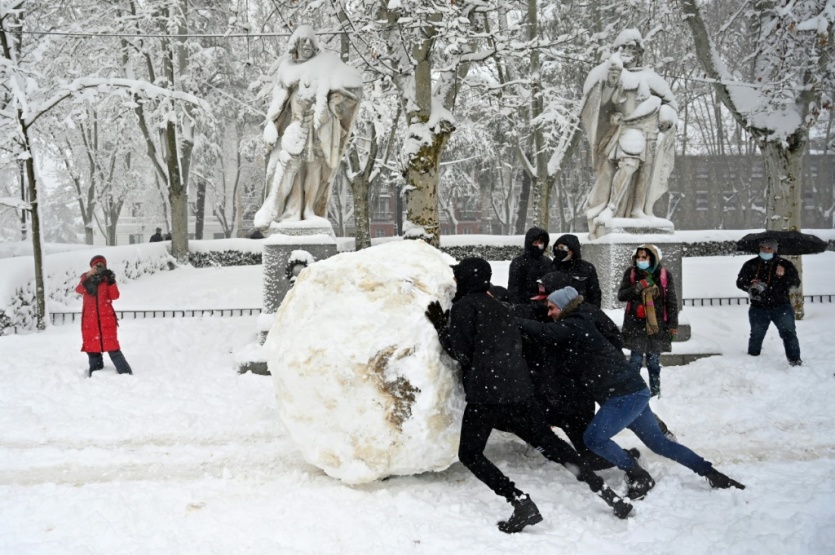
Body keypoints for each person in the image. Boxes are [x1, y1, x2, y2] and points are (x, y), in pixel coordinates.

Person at [425, 258, 632, 534]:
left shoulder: (464, 307)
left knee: (470, 454)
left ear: (465, 278)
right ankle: (607, 493)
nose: (454, 280)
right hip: (519, 390)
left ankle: (518, 501)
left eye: (457, 276)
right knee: (551, 445)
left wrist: (442, 329)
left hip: (486, 395)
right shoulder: (501, 307)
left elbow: (461, 354)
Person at [517, 286, 745, 500]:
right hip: (633, 391)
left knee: (594, 439)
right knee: (659, 444)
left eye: (552, 308)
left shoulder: (575, 324)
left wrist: (509, 319)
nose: (549, 313)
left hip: (623, 395)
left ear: (564, 305)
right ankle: (712, 473)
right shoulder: (578, 322)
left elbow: (543, 331)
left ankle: (637, 474)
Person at [253, 25, 362, 228]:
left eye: (310, 42)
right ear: (295, 45)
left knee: (315, 169)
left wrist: (335, 98)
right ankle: (292, 211)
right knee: (292, 171)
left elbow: (353, 81)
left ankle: (309, 210)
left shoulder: (326, 63)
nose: (307, 46)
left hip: (319, 128)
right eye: (303, 42)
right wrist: (271, 125)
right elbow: (279, 102)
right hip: (295, 128)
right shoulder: (287, 69)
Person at [581, 29, 678, 238]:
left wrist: (666, 113)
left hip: (650, 131)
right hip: (625, 130)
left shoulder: (650, 77)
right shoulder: (610, 72)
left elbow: (671, 104)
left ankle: (638, 209)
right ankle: (612, 207)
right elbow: (597, 104)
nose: (627, 51)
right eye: (623, 47)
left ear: (639, 52)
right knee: (628, 164)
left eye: (632, 48)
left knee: (646, 171)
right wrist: (611, 87)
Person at [617, 245, 678, 397]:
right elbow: (622, 295)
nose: (640, 260)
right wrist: (638, 286)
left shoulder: (664, 275)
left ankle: (655, 393)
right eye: (638, 257)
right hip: (635, 324)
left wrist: (673, 324)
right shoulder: (631, 273)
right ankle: (633, 391)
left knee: (653, 362)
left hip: (656, 325)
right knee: (635, 361)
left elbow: (671, 301)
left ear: (652, 258)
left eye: (644, 257)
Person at [735, 239, 802, 366]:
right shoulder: (751, 264)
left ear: (775, 250)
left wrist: (783, 275)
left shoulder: (785, 264)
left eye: (769, 248)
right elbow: (740, 282)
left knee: (789, 334)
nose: (765, 250)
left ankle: (795, 361)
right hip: (758, 307)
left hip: (781, 306)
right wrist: (750, 284)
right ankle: (752, 360)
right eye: (763, 248)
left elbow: (795, 283)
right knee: (756, 335)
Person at [75, 255, 133, 377]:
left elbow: (115, 296)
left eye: (102, 265)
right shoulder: (86, 279)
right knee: (92, 350)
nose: (99, 267)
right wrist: (87, 276)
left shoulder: (107, 279)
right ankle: (96, 375)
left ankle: (126, 374)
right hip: (89, 321)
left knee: (113, 348)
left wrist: (111, 281)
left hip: (106, 319)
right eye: (96, 265)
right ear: (92, 267)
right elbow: (79, 290)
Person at [550, 233, 602, 307]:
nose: (559, 250)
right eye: (557, 248)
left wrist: (592, 311)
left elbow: (594, 294)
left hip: (581, 310)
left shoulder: (586, 268)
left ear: (572, 250)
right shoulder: (552, 267)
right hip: (556, 310)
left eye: (562, 248)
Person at [507, 226, 551, 304]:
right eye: (535, 243)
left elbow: (549, 286)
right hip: (523, 305)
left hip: (545, 305)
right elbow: (514, 289)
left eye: (541, 243)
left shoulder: (548, 262)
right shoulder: (518, 263)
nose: (538, 246)